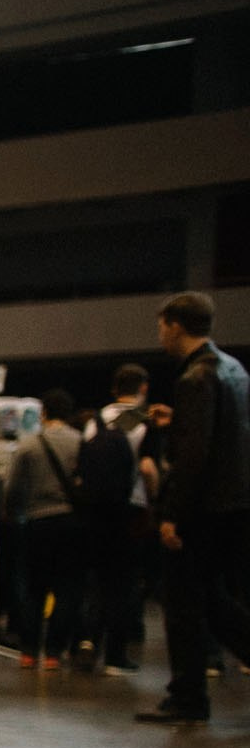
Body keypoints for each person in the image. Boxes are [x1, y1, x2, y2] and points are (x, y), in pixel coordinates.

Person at [138, 291, 250, 724]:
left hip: (202, 508)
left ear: (175, 326)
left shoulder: (194, 378)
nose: (161, 334)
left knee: (184, 601)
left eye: (162, 326)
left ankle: (187, 698)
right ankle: (187, 694)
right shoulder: (233, 369)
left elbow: (195, 455)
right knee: (215, 599)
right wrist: (177, 421)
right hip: (233, 504)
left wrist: (171, 513)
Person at [75, 364, 152, 672]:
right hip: (128, 511)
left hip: (94, 511)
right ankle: (116, 653)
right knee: (123, 583)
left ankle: (86, 642)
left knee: (93, 579)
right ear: (143, 388)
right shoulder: (142, 422)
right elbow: (147, 469)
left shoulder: (95, 422)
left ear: (113, 388)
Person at [5, 388, 85, 667]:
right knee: (67, 588)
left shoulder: (28, 445)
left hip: (37, 521)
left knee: (33, 588)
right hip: (71, 522)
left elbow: (12, 487)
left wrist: (13, 515)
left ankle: (28, 651)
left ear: (44, 413)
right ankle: (54, 653)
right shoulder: (80, 442)